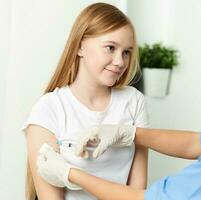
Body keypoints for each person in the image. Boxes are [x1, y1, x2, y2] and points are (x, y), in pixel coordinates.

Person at [37, 0, 201, 199]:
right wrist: (129, 134)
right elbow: (196, 142)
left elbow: (148, 197)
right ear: (80, 46)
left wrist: (69, 174)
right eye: (110, 48)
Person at [22, 3, 149, 200]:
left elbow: (138, 192)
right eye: (110, 48)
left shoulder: (134, 102)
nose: (120, 62)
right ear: (80, 46)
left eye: (126, 52)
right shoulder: (49, 109)